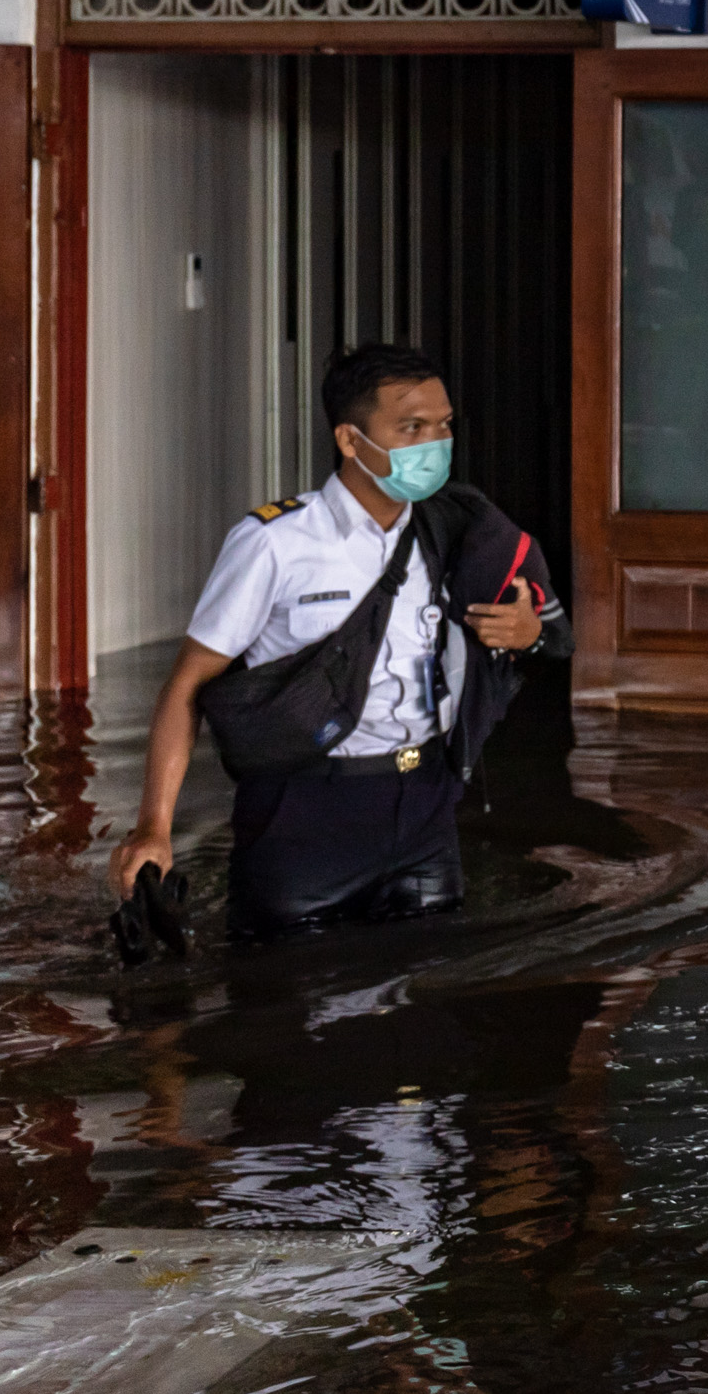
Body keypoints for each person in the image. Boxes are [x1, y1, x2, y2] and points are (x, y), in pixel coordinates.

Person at [106, 341, 562, 944]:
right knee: (287, 989)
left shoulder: (455, 532)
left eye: (444, 425)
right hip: (304, 816)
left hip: (424, 810)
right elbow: (188, 683)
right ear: (350, 440)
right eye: (412, 427)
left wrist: (529, 632)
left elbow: (530, 632)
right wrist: (154, 828)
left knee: (429, 980)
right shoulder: (275, 543)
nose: (436, 443)